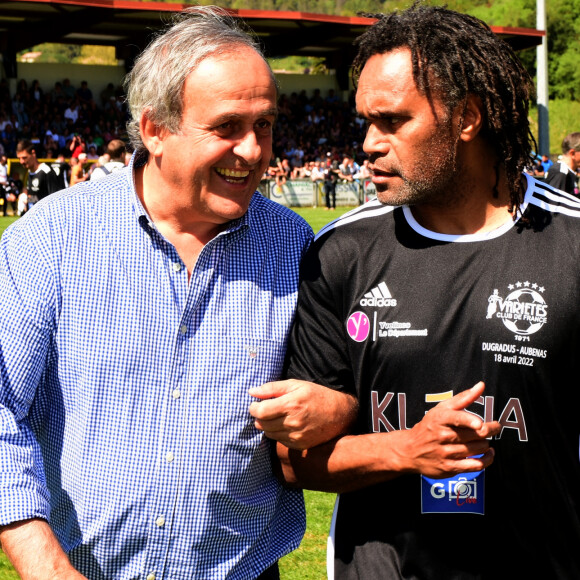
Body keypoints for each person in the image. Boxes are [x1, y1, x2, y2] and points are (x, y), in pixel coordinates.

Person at [0, 8, 354, 579]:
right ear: (154, 130)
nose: (253, 149)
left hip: (244, 569)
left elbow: (332, 384)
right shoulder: (53, 238)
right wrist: (46, 568)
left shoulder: (295, 244)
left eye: (264, 125)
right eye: (227, 127)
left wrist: (337, 406)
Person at [250, 4, 580, 579]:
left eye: (393, 121)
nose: (369, 144)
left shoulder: (571, 241)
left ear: (467, 116)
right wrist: (404, 450)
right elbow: (294, 461)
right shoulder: (340, 252)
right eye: (365, 122)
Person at [15, 139, 61, 209]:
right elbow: (37, 197)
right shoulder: (29, 172)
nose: (21, 162)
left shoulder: (46, 171)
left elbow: (55, 199)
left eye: (24, 158)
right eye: (19, 158)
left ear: (33, 153)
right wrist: (26, 200)